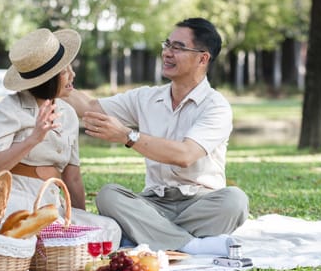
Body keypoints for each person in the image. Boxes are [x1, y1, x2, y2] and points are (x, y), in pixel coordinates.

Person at [64, 18, 249, 255]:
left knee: (235, 201)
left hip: (201, 204)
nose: (167, 53)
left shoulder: (216, 106)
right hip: (154, 204)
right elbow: (91, 107)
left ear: (203, 58)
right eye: (167, 44)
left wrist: (128, 136)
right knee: (108, 195)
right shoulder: (146, 98)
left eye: (178, 48)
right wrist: (52, 78)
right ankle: (190, 245)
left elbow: (185, 155)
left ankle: (143, 236)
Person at [0, 28, 121, 249]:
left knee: (109, 230)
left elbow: (73, 177)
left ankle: (57, 243)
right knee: (43, 236)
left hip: (50, 204)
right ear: (47, 79)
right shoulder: (8, 111)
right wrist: (34, 138)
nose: (72, 76)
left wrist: (77, 220)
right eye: (65, 71)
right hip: (11, 201)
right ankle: (31, 244)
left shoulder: (68, 113)